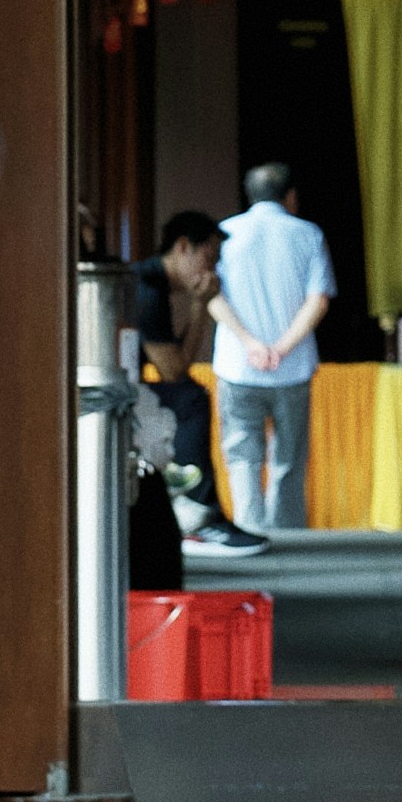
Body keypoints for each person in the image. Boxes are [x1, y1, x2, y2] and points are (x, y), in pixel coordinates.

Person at [212, 162, 335, 532]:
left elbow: (212, 297)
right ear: (290, 196)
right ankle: (286, 535)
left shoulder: (225, 234)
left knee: (242, 456)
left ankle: (250, 529)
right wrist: (281, 348)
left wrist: (250, 343)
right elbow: (319, 301)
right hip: (292, 367)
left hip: (238, 365)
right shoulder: (308, 234)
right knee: (288, 459)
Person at [135, 210, 266, 555]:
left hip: (126, 389)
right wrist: (199, 306)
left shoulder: (155, 284)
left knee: (190, 395)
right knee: (190, 398)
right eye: (208, 258)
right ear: (182, 247)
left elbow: (179, 367)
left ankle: (200, 511)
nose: (212, 272)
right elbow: (174, 372)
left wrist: (200, 306)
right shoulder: (145, 289)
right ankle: (196, 514)